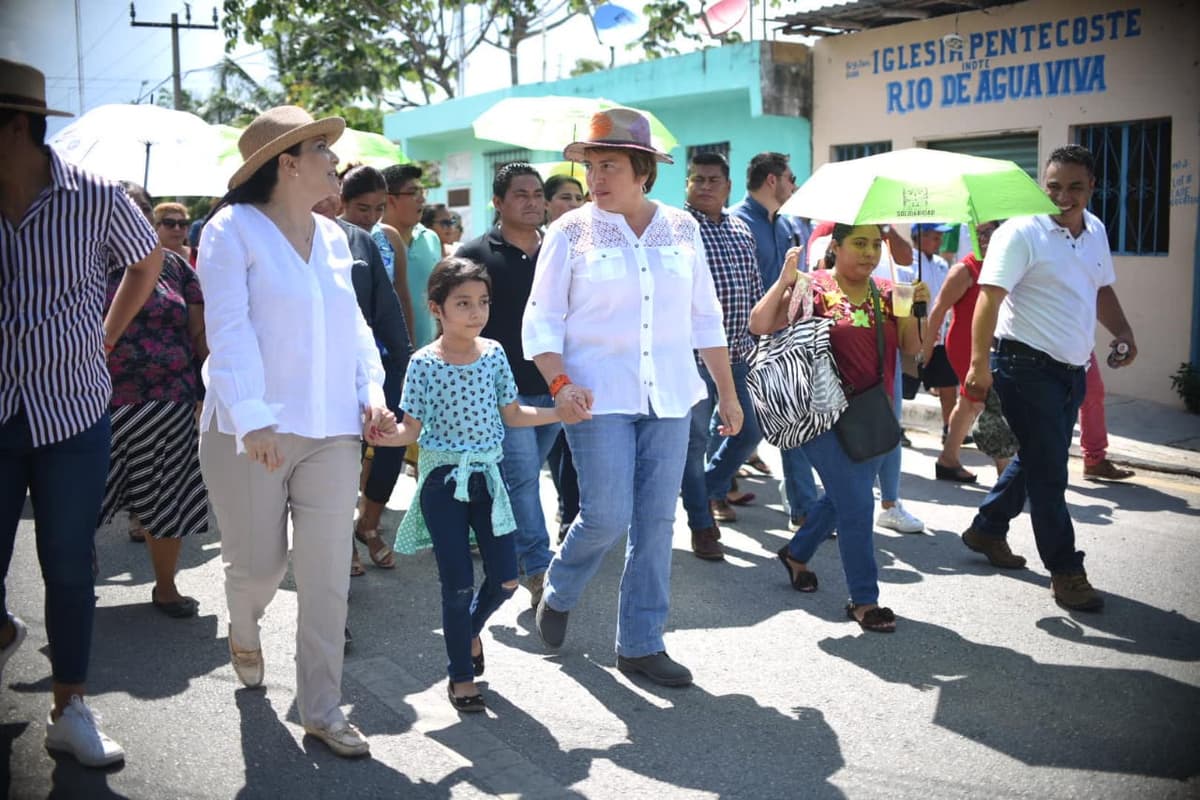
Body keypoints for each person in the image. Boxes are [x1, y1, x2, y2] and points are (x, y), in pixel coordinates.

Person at [197, 105, 393, 758]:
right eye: (323, 150)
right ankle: (244, 621)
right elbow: (226, 330)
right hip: (251, 433)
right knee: (260, 566)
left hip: (334, 430)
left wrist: (372, 395)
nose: (336, 161)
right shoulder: (231, 230)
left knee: (326, 574)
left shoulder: (336, 238)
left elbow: (356, 329)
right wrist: (252, 418)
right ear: (288, 163)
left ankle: (322, 708)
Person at [523, 108, 741, 687]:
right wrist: (560, 386)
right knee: (607, 515)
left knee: (655, 521)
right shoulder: (570, 231)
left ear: (643, 169)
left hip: (671, 394)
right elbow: (542, 321)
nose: (596, 179)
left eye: (610, 166)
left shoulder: (682, 228)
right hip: (593, 397)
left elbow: (704, 315)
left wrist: (726, 390)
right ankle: (561, 587)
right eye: (592, 166)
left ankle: (641, 643)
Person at [0, 58, 163, 768]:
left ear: (15, 126)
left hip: (72, 412)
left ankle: (70, 709)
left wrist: (107, 332)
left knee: (68, 564)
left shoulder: (95, 197)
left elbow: (146, 261)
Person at [373, 257, 563, 710]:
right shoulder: (423, 364)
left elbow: (513, 414)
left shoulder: (495, 353)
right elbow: (410, 431)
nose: (476, 312)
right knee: (456, 585)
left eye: (483, 302)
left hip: (487, 480)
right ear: (437, 308)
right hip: (443, 483)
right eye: (463, 303)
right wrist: (385, 433)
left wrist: (561, 411)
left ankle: (470, 631)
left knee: (505, 581)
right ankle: (461, 675)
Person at [961, 144, 1137, 612]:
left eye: (1075, 187)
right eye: (1053, 186)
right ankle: (1065, 570)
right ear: (1043, 185)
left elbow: (1099, 288)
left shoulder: (1095, 230)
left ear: (1092, 187)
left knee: (1041, 456)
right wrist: (978, 365)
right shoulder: (1022, 232)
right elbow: (988, 301)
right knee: (1050, 474)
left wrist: (1122, 330)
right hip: (1023, 367)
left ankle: (988, 527)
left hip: (1072, 370)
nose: (1063, 197)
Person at [751, 225, 929, 633]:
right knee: (856, 503)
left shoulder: (889, 291)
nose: (869, 253)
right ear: (836, 247)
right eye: (859, 244)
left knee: (844, 495)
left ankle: (797, 553)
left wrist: (921, 309)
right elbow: (759, 325)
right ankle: (864, 600)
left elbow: (913, 351)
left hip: (871, 415)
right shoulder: (812, 286)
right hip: (818, 414)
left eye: (874, 245)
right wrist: (783, 281)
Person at [99, 182, 208, 618]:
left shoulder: (177, 268)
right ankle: (71, 590)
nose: (137, 217)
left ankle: (166, 588)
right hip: (97, 406)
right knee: (80, 505)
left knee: (169, 500)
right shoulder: (86, 265)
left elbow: (199, 333)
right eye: (128, 210)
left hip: (171, 402)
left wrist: (211, 390)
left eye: (143, 209)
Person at [457, 163, 559, 609]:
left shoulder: (561, 248)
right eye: (521, 194)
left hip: (557, 384)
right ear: (498, 203)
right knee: (521, 480)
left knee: (516, 479)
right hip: (504, 390)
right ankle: (539, 570)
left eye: (538, 193)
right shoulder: (475, 253)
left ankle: (502, 540)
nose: (533, 201)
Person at [679, 152, 764, 560]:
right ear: (687, 185)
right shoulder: (676, 229)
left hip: (739, 353)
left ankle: (709, 488)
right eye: (698, 179)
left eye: (714, 180)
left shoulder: (740, 228)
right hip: (690, 357)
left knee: (749, 430)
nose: (705, 186)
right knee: (694, 442)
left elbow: (753, 287)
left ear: (728, 187)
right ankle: (701, 523)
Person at [731, 152, 817, 532]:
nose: (795, 185)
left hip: (783, 341)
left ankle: (803, 508)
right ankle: (713, 485)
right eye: (791, 177)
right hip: (739, 343)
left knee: (793, 419)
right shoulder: (736, 223)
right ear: (772, 180)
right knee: (740, 426)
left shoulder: (786, 226)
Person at [337, 167, 415, 572]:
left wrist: (409, 354)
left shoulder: (387, 239)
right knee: (346, 448)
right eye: (361, 208)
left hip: (387, 357)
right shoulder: (325, 239)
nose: (369, 216)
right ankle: (339, 537)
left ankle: (369, 523)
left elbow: (398, 296)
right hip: (343, 361)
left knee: (391, 443)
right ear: (342, 203)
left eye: (378, 208)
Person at [921, 220, 1011, 483]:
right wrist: (925, 352)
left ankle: (948, 460)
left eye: (990, 231)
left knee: (968, 402)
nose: (984, 238)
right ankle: (1006, 472)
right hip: (964, 345)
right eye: (978, 232)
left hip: (989, 342)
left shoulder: (1002, 266)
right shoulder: (965, 268)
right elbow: (938, 311)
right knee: (987, 401)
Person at [542, 174, 585, 543]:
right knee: (554, 448)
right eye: (564, 197)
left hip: (576, 362)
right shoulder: (541, 244)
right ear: (546, 203)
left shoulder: (588, 244)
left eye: (578, 197)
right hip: (539, 365)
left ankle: (571, 515)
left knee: (571, 448)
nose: (572, 205)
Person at [381, 164, 442, 348]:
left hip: (429, 357)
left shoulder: (431, 239)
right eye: (413, 192)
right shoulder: (373, 241)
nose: (422, 199)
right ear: (390, 199)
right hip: (388, 355)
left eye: (422, 191)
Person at [909, 222, 959, 438]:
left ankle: (950, 429)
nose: (939, 242)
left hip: (940, 336)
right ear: (919, 237)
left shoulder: (941, 263)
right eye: (934, 237)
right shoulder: (907, 261)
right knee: (908, 382)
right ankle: (898, 428)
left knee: (948, 385)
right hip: (915, 335)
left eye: (940, 237)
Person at [1079, 356, 1136, 481]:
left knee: (1093, 393)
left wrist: (1125, 336)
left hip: (1081, 345)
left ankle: (1094, 461)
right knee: (1048, 399)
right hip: (1041, 344)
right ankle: (1040, 461)